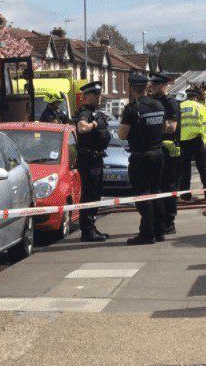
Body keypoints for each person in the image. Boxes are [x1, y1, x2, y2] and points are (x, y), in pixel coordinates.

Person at [118, 73, 167, 245]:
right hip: (157, 154)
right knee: (156, 192)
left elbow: (122, 134)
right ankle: (160, 230)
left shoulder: (132, 109)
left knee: (142, 195)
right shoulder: (158, 105)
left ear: (132, 89)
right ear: (146, 87)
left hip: (141, 156)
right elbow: (164, 128)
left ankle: (147, 233)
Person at [73, 81, 111, 242]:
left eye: (99, 94)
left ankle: (92, 227)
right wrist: (94, 124)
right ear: (87, 96)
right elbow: (82, 128)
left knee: (96, 194)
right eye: (95, 94)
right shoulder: (85, 113)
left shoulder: (96, 112)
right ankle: (87, 231)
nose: (99, 97)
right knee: (89, 194)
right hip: (88, 159)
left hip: (96, 158)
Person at [149, 74, 181, 234]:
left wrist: (153, 126)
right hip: (155, 150)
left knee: (168, 187)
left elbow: (172, 127)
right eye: (151, 84)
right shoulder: (153, 102)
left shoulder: (170, 103)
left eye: (155, 84)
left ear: (163, 85)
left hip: (168, 152)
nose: (152, 86)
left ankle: (169, 222)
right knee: (156, 187)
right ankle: (158, 221)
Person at [178, 87, 206, 201]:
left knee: (185, 170)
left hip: (182, 142)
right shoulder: (200, 107)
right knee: (203, 168)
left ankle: (185, 194)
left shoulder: (180, 107)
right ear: (196, 97)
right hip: (197, 141)